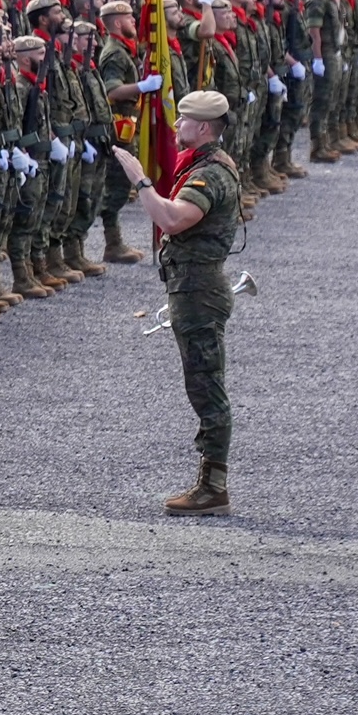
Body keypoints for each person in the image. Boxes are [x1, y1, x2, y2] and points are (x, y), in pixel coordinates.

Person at [112, 87, 243, 515]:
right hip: (194, 286)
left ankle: (213, 488)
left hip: (199, 290)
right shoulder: (206, 164)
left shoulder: (210, 175)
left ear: (202, 128)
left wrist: (141, 181)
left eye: (183, 120)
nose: (175, 126)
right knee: (203, 384)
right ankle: (211, 483)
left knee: (207, 388)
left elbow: (172, 217)